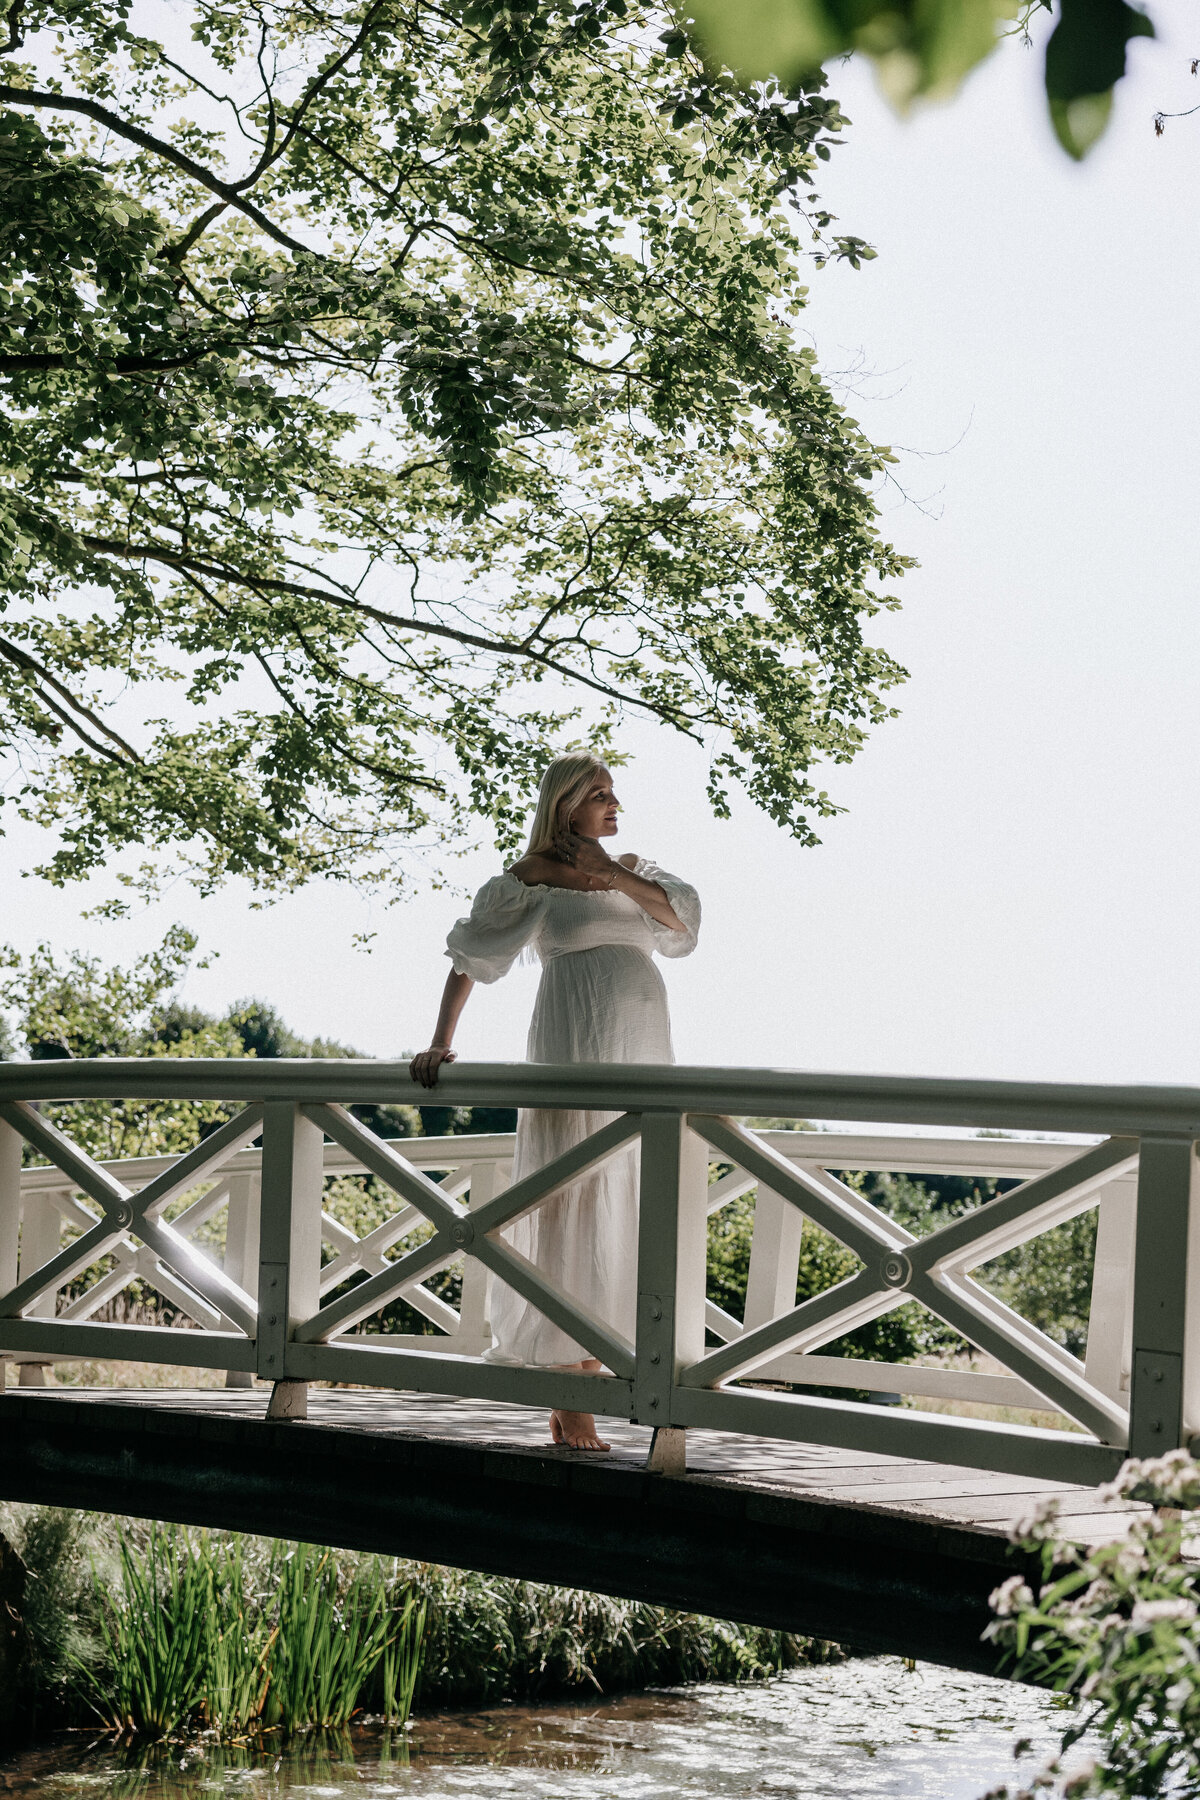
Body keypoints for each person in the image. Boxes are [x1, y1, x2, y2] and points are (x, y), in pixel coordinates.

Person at [409, 753, 700, 1451]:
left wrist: (616, 876)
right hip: (574, 1047)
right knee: (572, 1199)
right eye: (597, 793)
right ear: (564, 804)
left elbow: (681, 929)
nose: (613, 802)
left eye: (612, 792)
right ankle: (572, 1398)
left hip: (642, 1053)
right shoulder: (527, 880)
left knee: (635, 1200)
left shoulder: (638, 870)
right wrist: (438, 1042)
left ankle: (627, 1374)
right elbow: (470, 961)